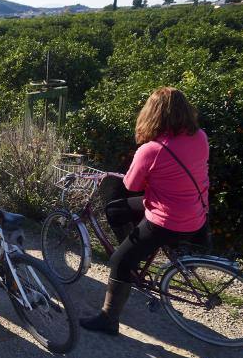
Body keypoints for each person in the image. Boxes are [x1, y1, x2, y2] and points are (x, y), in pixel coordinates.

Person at [80, 87, 210, 336]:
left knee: (119, 258)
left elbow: (131, 185)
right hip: (196, 212)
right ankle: (138, 258)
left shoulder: (151, 150)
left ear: (152, 114)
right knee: (117, 210)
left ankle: (109, 319)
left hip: (168, 220)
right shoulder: (200, 137)